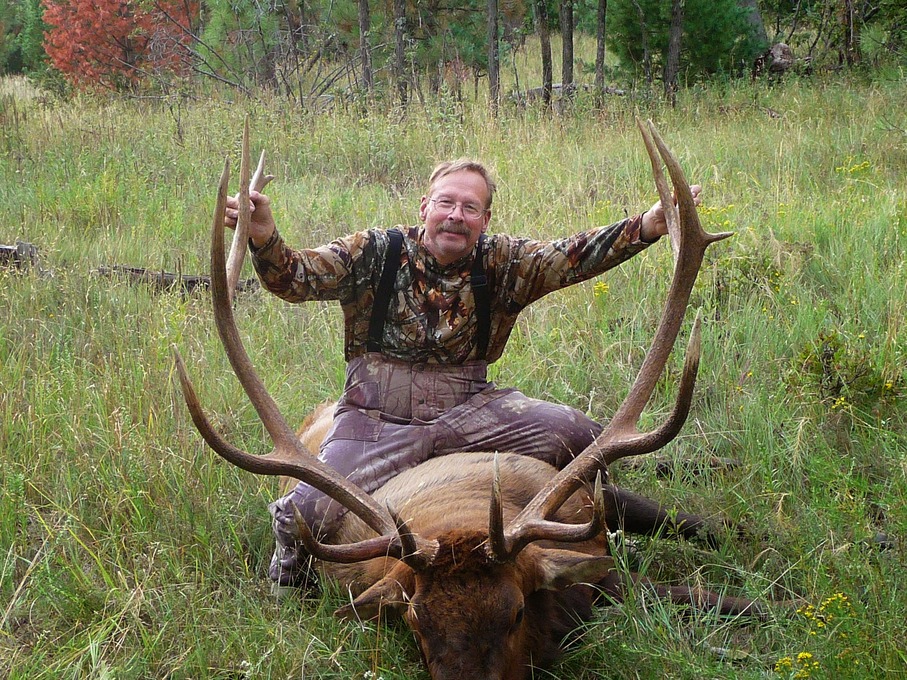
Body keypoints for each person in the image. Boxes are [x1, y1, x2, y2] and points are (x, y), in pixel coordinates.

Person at [225, 159, 701, 588]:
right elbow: (296, 277)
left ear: (485, 220)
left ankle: (588, 531)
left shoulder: (503, 262)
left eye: (470, 207)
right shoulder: (375, 252)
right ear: (424, 206)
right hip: (378, 418)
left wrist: (648, 225)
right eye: (446, 202)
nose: (456, 215)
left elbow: (573, 256)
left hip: (471, 409)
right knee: (305, 512)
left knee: (583, 437)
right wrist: (264, 237)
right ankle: (288, 580)